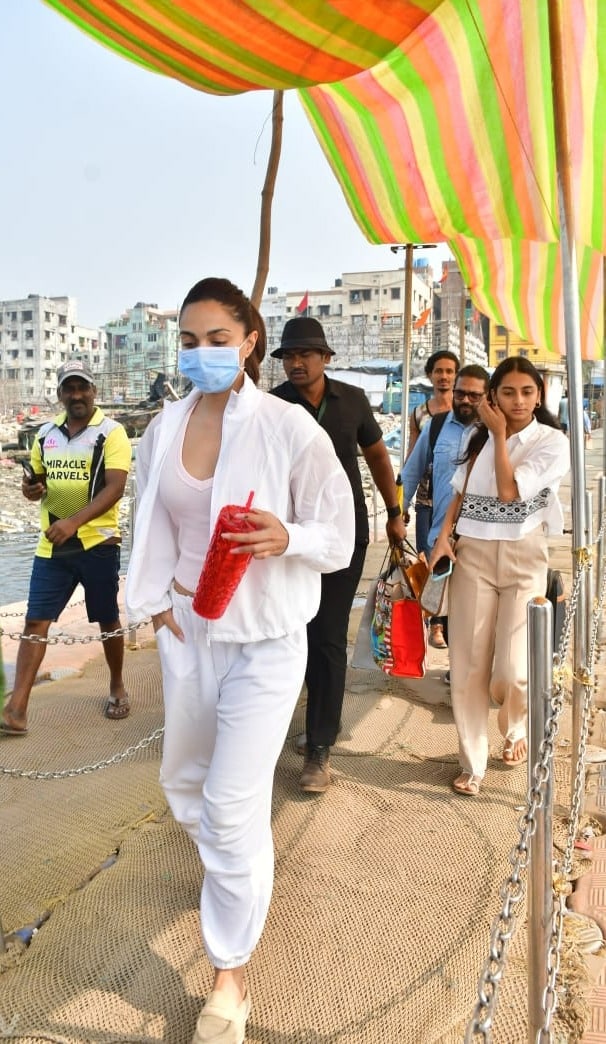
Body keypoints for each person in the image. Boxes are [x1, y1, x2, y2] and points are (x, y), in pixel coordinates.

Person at [125, 279, 355, 1044]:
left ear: (251, 340)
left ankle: (230, 974)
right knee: (187, 785)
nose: (202, 353)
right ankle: (241, 867)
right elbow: (147, 518)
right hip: (186, 632)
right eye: (189, 341)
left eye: (218, 338)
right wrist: (154, 601)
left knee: (227, 803)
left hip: (265, 640)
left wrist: (285, 535)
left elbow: (339, 534)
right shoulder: (164, 427)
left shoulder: (291, 429)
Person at [270, 316, 406, 793]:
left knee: (327, 635)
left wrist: (394, 511)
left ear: (325, 358)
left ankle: (319, 749)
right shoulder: (273, 405)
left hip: (343, 535)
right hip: (285, 538)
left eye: (304, 354)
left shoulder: (352, 400)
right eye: (288, 355)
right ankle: (298, 722)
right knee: (290, 630)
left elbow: (377, 457)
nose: (295, 363)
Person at [429, 357, 569, 796]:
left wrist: (500, 435)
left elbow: (510, 491)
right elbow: (461, 490)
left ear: (540, 394)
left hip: (524, 556)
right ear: (494, 396)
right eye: (507, 392)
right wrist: (442, 537)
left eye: (527, 392)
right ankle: (472, 760)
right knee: (467, 662)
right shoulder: (476, 436)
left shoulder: (553, 441)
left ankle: (516, 728)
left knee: (512, 667)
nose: (518, 401)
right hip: (472, 552)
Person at [1, 360, 131, 737]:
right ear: (59, 394)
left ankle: (117, 685)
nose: (76, 395)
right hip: (53, 545)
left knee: (107, 619)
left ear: (93, 391)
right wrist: (31, 491)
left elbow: (115, 488)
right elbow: (37, 483)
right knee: (34, 621)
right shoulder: (45, 435)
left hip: (98, 543)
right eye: (69, 388)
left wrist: (74, 522)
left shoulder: (112, 433)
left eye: (83, 387)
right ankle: (17, 709)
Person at [401, 365, 490, 650]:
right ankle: (459, 672)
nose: (465, 400)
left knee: (476, 615)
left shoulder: (495, 433)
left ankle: (466, 674)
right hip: (441, 540)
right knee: (445, 608)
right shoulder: (436, 426)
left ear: (487, 396)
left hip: (481, 540)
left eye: (474, 396)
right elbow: (412, 471)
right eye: (460, 393)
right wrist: (396, 510)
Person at [404, 350, 459, 583]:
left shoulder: (468, 414)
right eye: (439, 371)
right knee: (426, 560)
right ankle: (430, 615)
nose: (444, 376)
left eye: (449, 371)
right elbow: (413, 459)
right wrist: (400, 504)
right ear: (430, 375)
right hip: (427, 498)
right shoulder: (419, 414)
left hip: (456, 497)